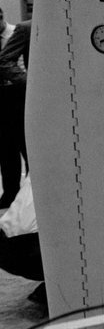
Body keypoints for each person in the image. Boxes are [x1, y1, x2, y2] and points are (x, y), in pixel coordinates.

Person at [0, 11, 30, 210]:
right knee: (6, 148)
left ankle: (28, 194)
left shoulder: (17, 31)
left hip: (19, 95)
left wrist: (27, 83)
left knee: (27, 145)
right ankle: (11, 192)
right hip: (2, 98)